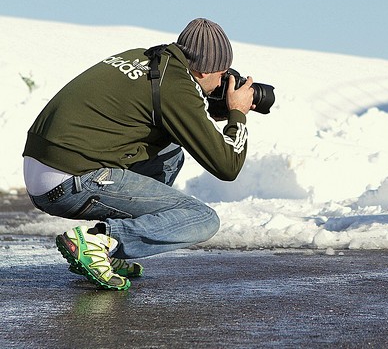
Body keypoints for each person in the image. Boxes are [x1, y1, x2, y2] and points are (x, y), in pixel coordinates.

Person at [23, 18, 255, 290]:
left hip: (45, 167)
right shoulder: (177, 87)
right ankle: (101, 240)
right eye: (221, 75)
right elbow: (227, 166)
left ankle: (108, 249)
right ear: (204, 72)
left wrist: (204, 112)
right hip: (68, 182)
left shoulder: (147, 58)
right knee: (203, 219)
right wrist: (237, 113)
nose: (220, 84)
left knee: (171, 153)